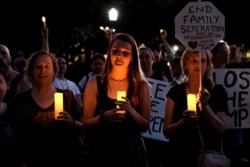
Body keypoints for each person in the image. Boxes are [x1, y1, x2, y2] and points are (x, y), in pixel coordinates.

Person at [83, 33, 151, 167]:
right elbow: (86, 122)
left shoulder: (141, 86)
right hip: (102, 152)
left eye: (125, 53)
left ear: (132, 58)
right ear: (109, 54)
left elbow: (145, 125)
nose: (119, 56)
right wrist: (103, 118)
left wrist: (130, 110)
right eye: (115, 51)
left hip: (131, 152)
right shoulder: (94, 83)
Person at [8, 50, 84, 167]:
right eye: (38, 67)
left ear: (54, 71)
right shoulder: (19, 100)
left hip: (64, 160)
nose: (43, 70)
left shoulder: (67, 96)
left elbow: (83, 126)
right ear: (31, 71)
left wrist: (72, 122)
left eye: (47, 66)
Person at [163, 49, 228, 167]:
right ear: (185, 64)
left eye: (203, 61)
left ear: (208, 65)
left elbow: (221, 128)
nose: (198, 65)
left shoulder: (218, 92)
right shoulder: (175, 92)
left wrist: (205, 106)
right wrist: (182, 122)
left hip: (208, 158)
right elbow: (166, 131)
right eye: (194, 61)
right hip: (179, 157)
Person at [212, 40, 244, 167]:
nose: (226, 56)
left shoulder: (237, 76)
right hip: (215, 129)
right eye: (222, 53)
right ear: (213, 55)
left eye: (227, 53)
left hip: (235, 128)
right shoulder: (206, 78)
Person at [139, 46, 170, 167]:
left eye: (147, 57)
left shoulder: (161, 79)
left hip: (156, 133)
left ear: (153, 59)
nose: (144, 60)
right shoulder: (134, 80)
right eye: (141, 57)